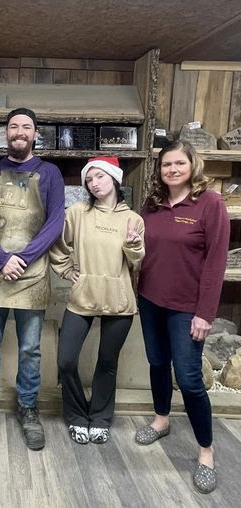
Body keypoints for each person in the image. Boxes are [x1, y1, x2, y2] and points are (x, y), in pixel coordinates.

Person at [134, 140, 229, 494]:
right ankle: (161, 420)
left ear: (192, 165)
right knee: (157, 363)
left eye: (178, 164)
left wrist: (205, 314)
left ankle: (206, 451)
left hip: (187, 308)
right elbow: (141, 247)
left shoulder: (210, 204)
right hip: (150, 300)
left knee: (189, 379)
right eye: (165, 165)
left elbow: (216, 262)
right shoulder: (153, 204)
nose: (171, 170)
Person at [0, 107, 65, 450]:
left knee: (30, 350)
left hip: (32, 273)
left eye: (26, 126)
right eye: (13, 126)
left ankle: (28, 408)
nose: (19, 131)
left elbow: (55, 223)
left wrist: (21, 259)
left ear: (35, 134)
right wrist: (0, 259)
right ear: (6, 133)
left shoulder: (50, 173)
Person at [50, 156, 144, 445]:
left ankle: (100, 418)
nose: (94, 183)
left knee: (107, 362)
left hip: (119, 298)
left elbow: (137, 262)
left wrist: (132, 245)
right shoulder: (77, 212)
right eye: (89, 179)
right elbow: (59, 244)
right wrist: (67, 270)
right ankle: (78, 416)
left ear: (114, 178)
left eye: (99, 177)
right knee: (66, 361)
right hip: (84, 296)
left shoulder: (133, 219)